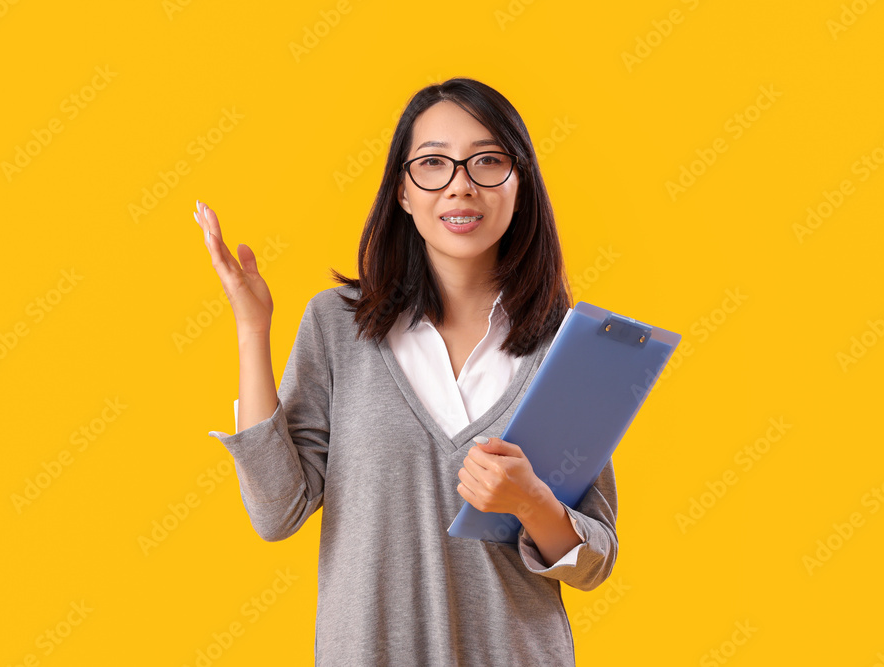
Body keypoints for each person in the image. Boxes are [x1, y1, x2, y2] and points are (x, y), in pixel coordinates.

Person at [197, 77, 618, 666]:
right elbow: (277, 512)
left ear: (520, 183)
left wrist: (531, 504)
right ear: (402, 190)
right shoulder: (338, 327)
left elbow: (593, 559)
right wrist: (251, 330)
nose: (461, 186)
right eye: (433, 165)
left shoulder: (566, 348)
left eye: (488, 161)